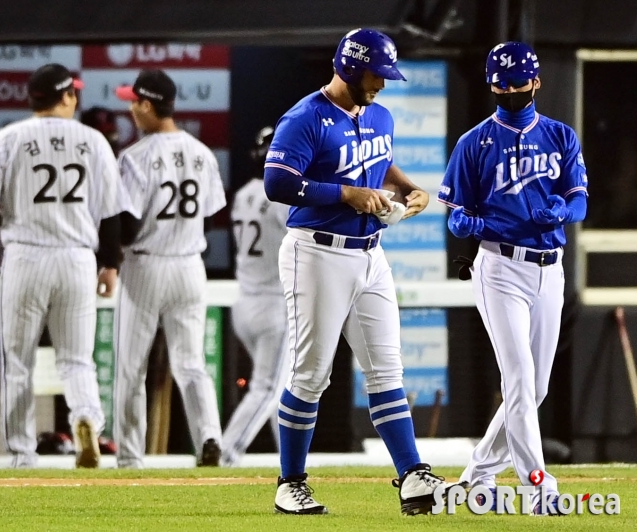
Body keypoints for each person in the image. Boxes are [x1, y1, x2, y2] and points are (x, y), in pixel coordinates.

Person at [263, 28, 451, 515]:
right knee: (310, 375)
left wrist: (412, 188)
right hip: (317, 252)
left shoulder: (379, 115)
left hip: (370, 252)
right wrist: (346, 193)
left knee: (387, 368)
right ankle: (290, 482)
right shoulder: (304, 117)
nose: (384, 84)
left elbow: (380, 162)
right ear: (350, 66)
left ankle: (412, 475)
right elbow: (278, 183)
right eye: (377, 73)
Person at [438, 41, 588, 515]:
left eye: (517, 83)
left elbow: (580, 200)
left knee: (535, 389)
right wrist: (464, 223)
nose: (508, 91)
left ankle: (477, 473)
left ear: (536, 82)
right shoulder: (474, 142)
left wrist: (563, 208)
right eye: (500, 84)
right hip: (499, 267)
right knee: (520, 378)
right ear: (490, 84)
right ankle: (539, 488)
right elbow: (457, 210)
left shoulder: (561, 136)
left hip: (550, 269)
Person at [0, 63, 131, 468]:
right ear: (68, 96)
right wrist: (109, 264)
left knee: (17, 361)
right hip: (76, 259)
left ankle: (23, 453)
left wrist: (9, 214)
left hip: (26, 255)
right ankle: (87, 420)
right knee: (77, 359)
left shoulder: (7, 139)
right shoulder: (94, 141)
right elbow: (111, 214)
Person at [113, 69, 226, 468]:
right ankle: (210, 437)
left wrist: (111, 257)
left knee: (130, 365)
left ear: (147, 104)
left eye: (133, 102)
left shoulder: (134, 156)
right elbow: (210, 220)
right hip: (190, 267)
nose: (130, 109)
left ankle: (129, 456)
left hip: (146, 266)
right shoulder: (202, 152)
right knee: (191, 362)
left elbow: (125, 225)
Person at [220, 126, 291, 466]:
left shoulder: (244, 194)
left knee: (279, 389)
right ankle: (226, 452)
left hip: (244, 304)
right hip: (273, 307)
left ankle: (292, 461)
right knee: (266, 388)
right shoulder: (284, 198)